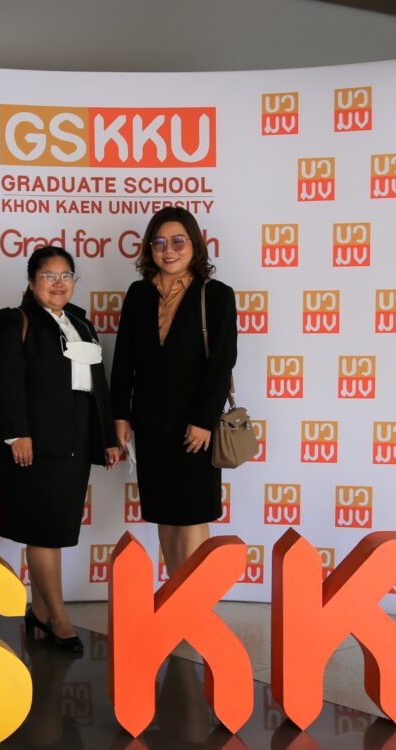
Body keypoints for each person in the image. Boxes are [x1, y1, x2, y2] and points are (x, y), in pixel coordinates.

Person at [0, 245, 120, 652]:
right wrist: (17, 434)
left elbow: (97, 384)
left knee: (55, 530)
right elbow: (7, 379)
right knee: (43, 531)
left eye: (66, 275)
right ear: (32, 282)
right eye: (49, 275)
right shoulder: (13, 320)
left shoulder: (81, 322)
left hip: (75, 440)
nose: (58, 283)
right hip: (35, 442)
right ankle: (59, 618)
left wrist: (108, 438)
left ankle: (41, 611)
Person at [110, 207, 237, 578]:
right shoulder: (138, 294)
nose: (169, 250)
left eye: (178, 241)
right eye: (160, 242)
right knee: (164, 513)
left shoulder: (216, 295)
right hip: (150, 422)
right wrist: (120, 414)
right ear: (149, 248)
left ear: (195, 244)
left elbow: (222, 363)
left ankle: (195, 601)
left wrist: (204, 420)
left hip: (194, 425)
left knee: (193, 514)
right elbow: (124, 358)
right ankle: (175, 594)